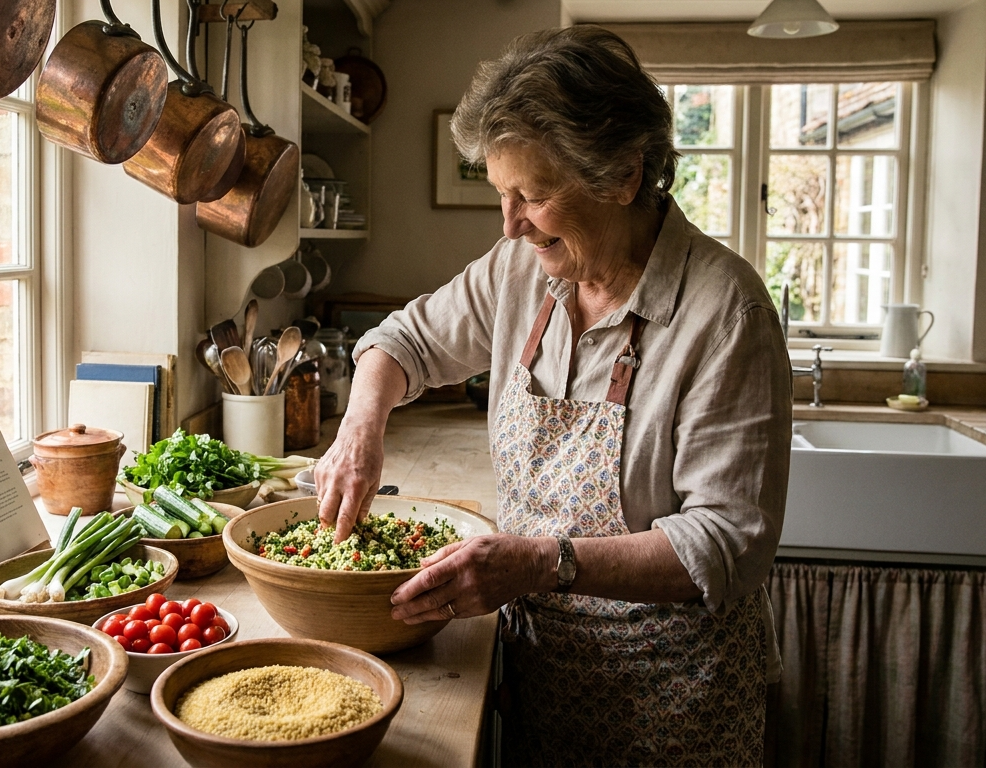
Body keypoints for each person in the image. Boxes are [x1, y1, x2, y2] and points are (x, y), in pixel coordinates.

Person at [313, 25, 792, 767]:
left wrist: (542, 563)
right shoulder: (521, 270)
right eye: (501, 193)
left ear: (624, 175)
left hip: (676, 697)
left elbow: (727, 543)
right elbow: (400, 342)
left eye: (532, 195)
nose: (509, 224)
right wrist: (359, 429)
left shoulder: (726, 313)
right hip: (546, 669)